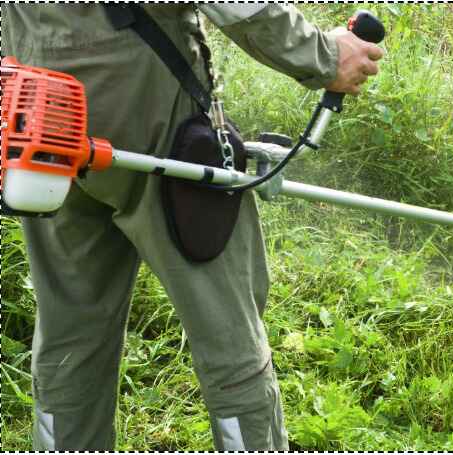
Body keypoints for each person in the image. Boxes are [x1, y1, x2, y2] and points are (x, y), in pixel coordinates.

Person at [1, 3, 383, 451]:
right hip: (146, 110)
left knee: (71, 332)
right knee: (228, 332)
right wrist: (323, 55)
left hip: (39, 110)